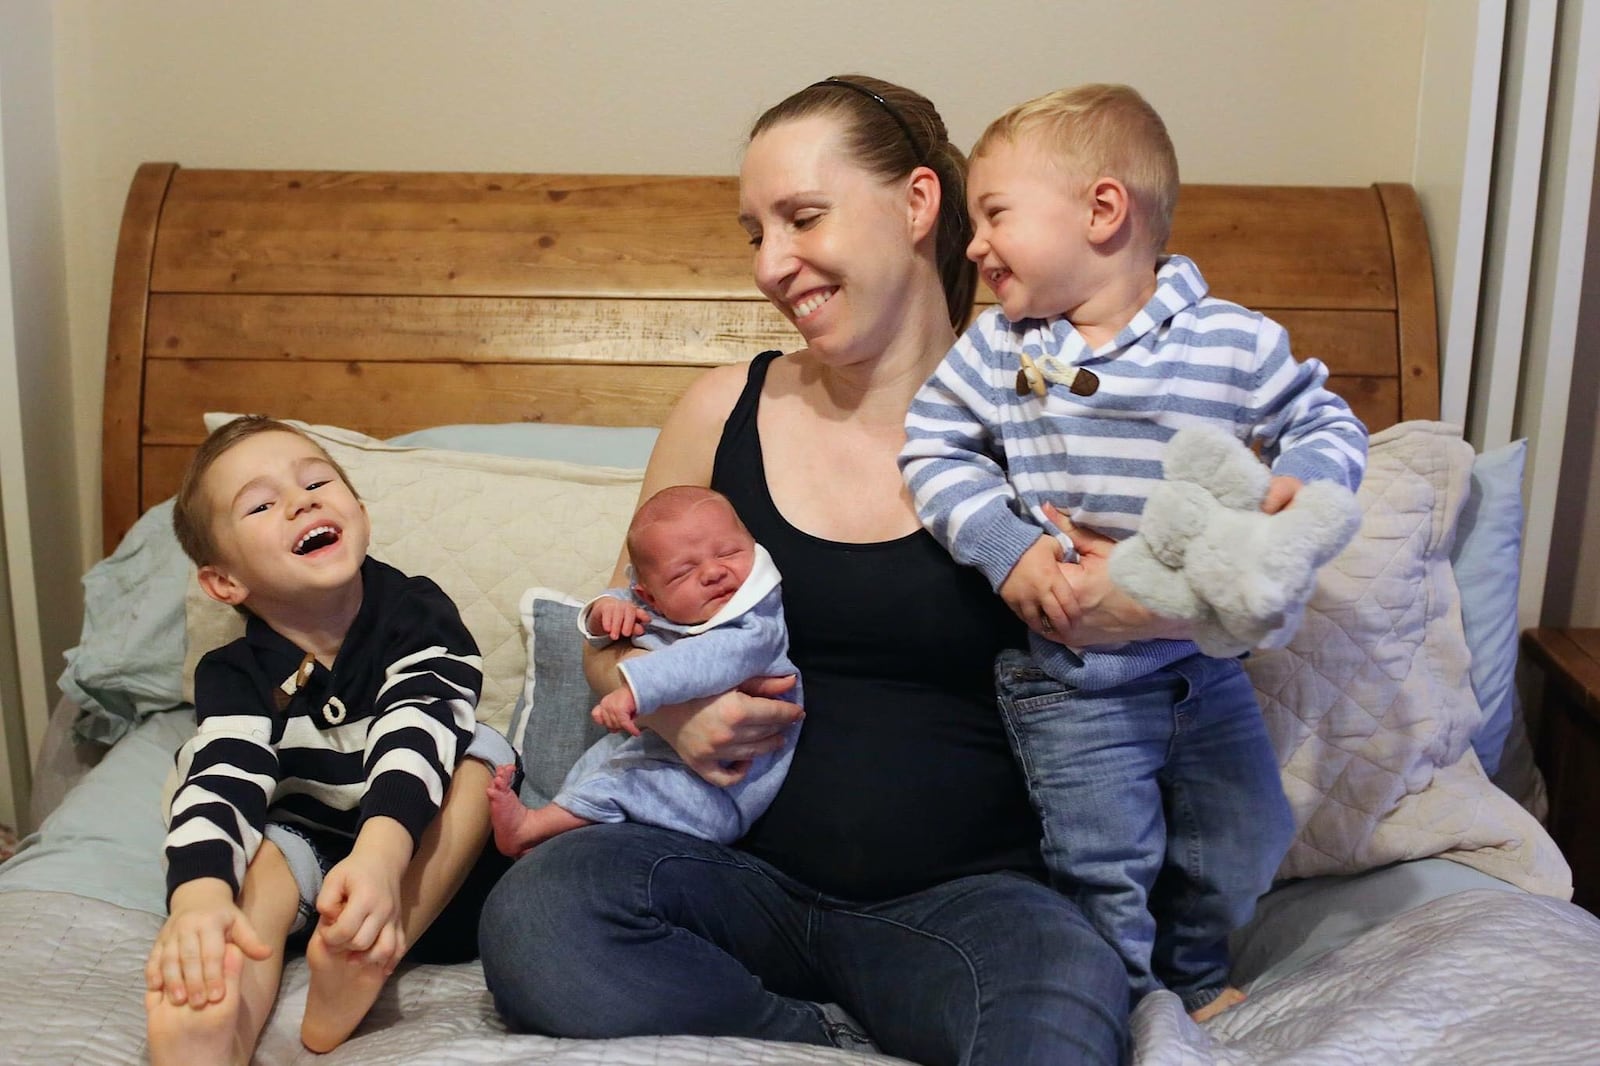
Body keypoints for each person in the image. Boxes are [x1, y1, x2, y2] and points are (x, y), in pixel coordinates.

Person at [478, 75, 1150, 1066]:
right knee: (537, 917)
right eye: (754, 232)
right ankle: (793, 1037)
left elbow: (1172, 600)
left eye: (801, 218)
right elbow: (611, 633)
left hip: (963, 902)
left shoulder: (1044, 406)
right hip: (729, 875)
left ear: (918, 204)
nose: (770, 264)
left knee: (1064, 1000)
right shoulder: (721, 410)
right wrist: (669, 711)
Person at [898, 84, 1368, 1021]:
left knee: (1244, 832)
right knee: (1101, 856)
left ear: (1103, 211)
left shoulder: (1231, 340)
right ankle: (1128, 1001)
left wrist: (1300, 489)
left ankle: (1194, 973)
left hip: (1203, 667)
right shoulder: (999, 348)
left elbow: (1324, 418)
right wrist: (1010, 548)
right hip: (1073, 675)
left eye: (994, 215)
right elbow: (930, 446)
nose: (973, 245)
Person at [146, 415, 514, 1065]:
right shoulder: (233, 673)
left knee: (479, 760)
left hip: (427, 877)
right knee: (260, 856)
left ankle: (368, 954)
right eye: (261, 504)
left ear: (359, 509)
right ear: (225, 582)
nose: (302, 500)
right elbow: (221, 776)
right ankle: (214, 1021)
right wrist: (198, 898)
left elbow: (419, 726)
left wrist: (378, 857)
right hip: (316, 870)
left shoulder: (415, 611)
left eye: (318, 481)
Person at [484, 484, 801, 856]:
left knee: (625, 785)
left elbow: (705, 660)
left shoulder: (755, 622)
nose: (714, 571)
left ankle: (535, 827)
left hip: (720, 790)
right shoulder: (661, 605)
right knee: (602, 768)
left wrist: (637, 687)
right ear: (652, 596)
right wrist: (605, 614)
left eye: (729, 552)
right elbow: (625, 600)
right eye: (683, 572)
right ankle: (546, 836)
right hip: (659, 753)